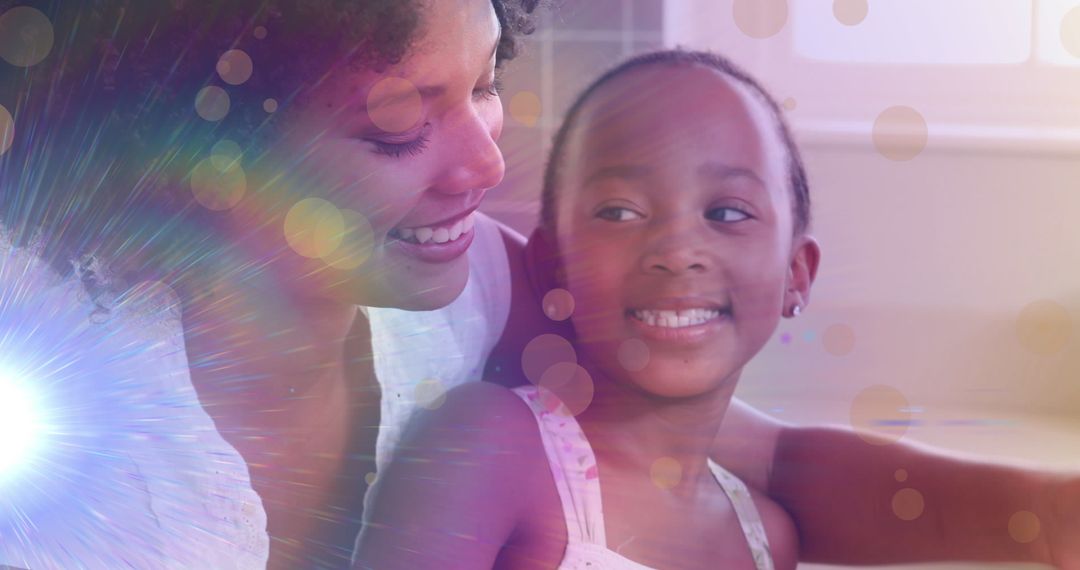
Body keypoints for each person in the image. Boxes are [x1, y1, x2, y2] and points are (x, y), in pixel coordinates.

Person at [354, 49, 1080, 569]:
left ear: (797, 276)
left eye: (728, 212)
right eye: (618, 209)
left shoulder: (767, 537)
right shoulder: (493, 445)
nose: (676, 248)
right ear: (549, 266)